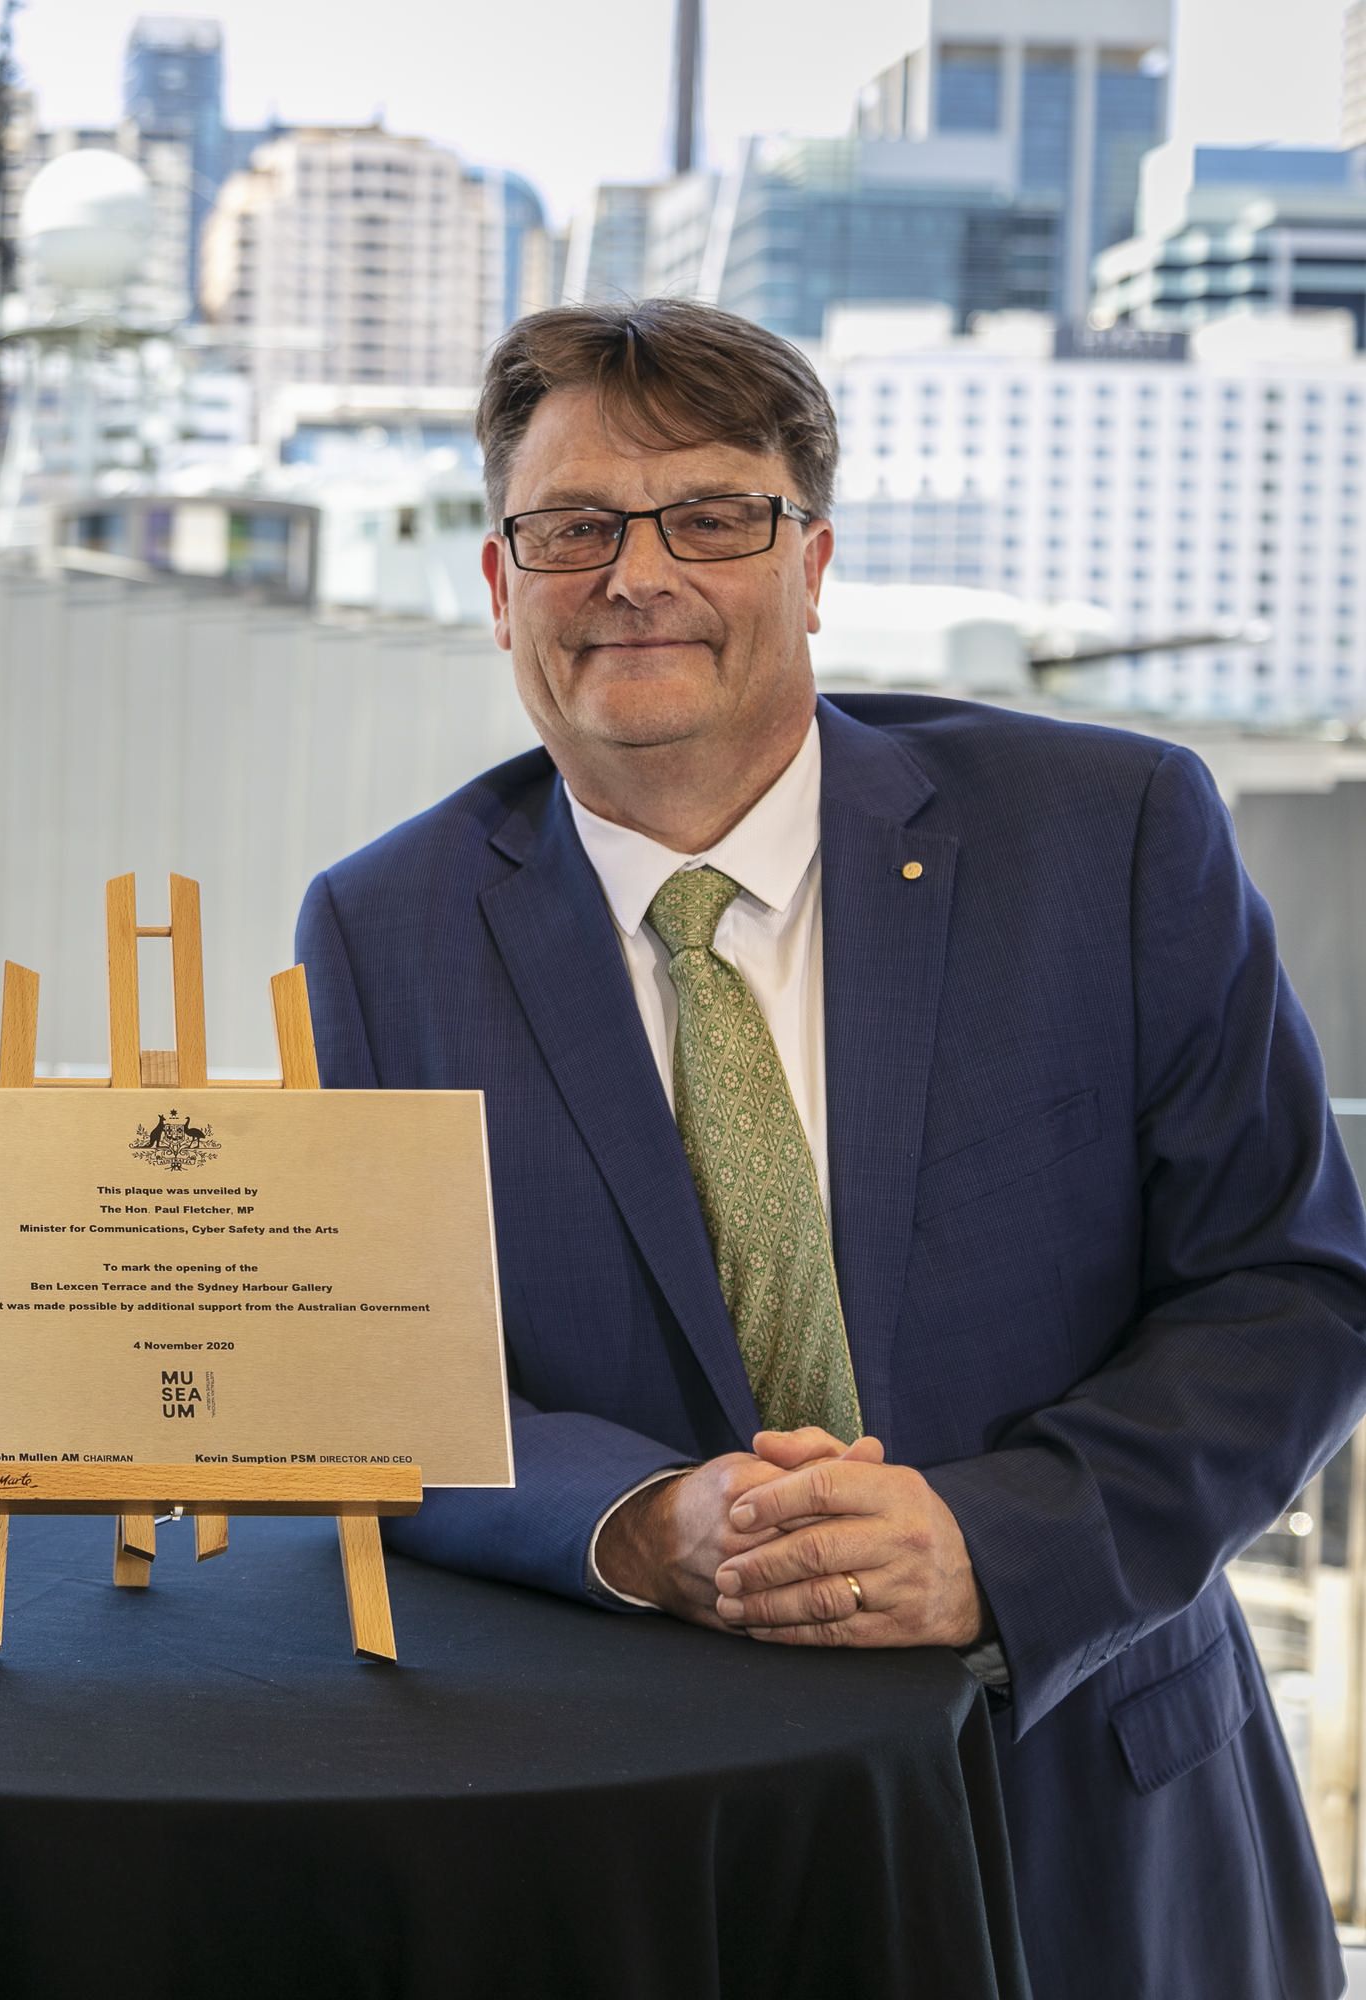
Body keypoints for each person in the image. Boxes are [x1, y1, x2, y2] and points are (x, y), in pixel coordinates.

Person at [295, 297, 1366, 1996]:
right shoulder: (378, 930)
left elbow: (1294, 1287)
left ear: (813, 563)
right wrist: (642, 1516)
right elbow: (385, 1386)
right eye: (572, 528)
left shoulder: (1112, 836)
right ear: (501, 586)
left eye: (714, 516)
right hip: (634, 1838)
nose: (636, 574)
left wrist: (995, 1543)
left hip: (1092, 1785)